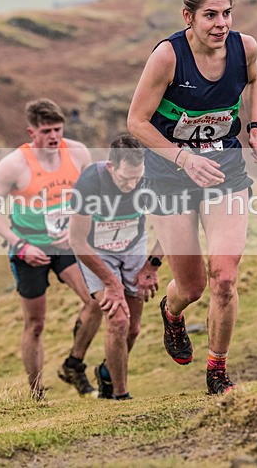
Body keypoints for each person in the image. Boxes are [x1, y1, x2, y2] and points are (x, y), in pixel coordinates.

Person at [126, 0, 257, 395]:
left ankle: (217, 372)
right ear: (188, 17)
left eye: (226, 14)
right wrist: (183, 156)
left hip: (224, 171)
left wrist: (256, 129)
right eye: (210, 15)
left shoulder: (245, 48)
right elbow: (135, 122)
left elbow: (254, 80)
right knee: (191, 286)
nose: (220, 23)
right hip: (169, 175)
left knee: (224, 278)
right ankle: (172, 314)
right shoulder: (167, 57)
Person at [0, 97, 102, 400]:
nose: (53, 137)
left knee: (96, 302)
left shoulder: (77, 153)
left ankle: (74, 363)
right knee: (35, 324)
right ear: (31, 132)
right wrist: (20, 245)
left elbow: (92, 196)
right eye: (46, 131)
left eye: (57, 129)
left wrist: (80, 228)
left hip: (67, 243)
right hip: (29, 248)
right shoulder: (14, 164)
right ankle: (36, 393)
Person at [68, 134, 163, 400]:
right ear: (111, 167)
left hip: (132, 246)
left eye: (137, 178)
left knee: (133, 328)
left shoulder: (151, 178)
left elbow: (172, 229)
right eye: (125, 179)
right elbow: (76, 240)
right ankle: (119, 396)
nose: (132, 185)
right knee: (119, 321)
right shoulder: (90, 182)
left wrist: (152, 266)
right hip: (96, 252)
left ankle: (108, 372)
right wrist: (111, 282)